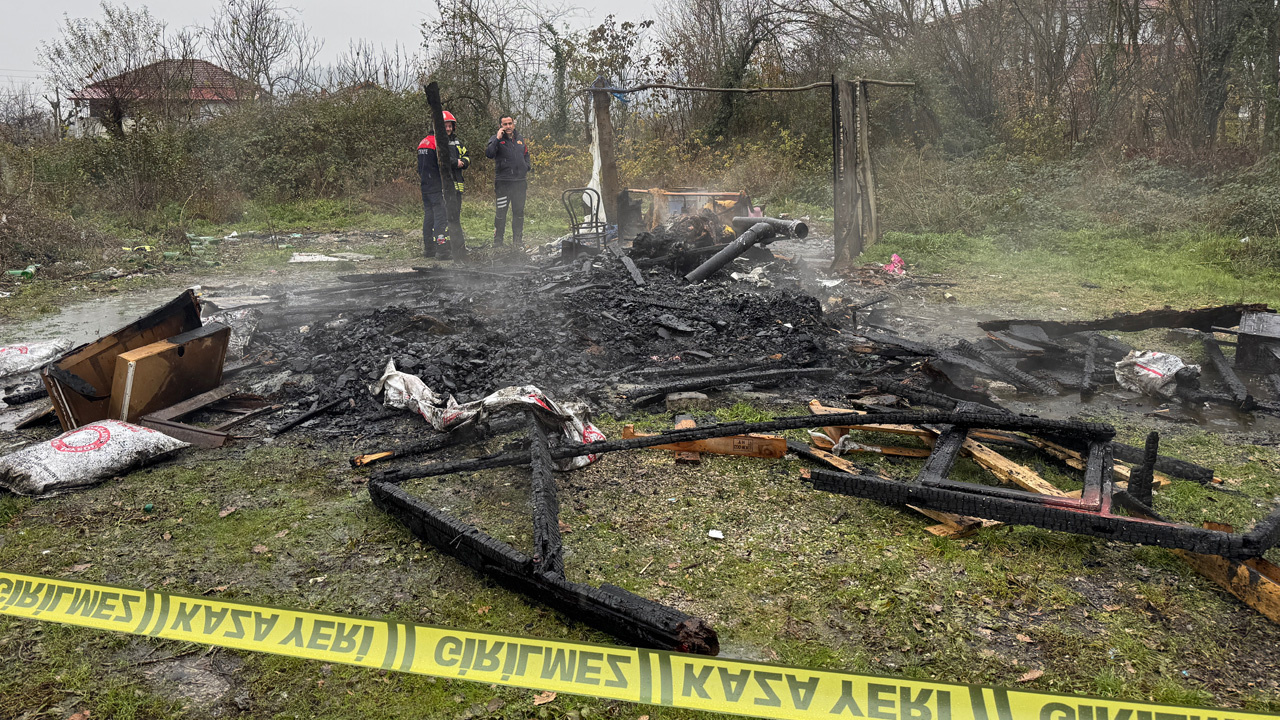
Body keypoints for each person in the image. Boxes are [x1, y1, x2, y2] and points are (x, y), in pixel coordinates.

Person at [417, 111, 470, 259]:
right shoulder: (438, 142)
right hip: (437, 186)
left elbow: (419, 168)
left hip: (426, 186)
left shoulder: (423, 142)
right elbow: (444, 163)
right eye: (444, 126)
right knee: (441, 217)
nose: (447, 129)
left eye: (449, 126)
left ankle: (429, 249)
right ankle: (442, 250)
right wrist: (456, 163)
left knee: (429, 217)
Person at [485, 115, 531, 248]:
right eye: (505, 124)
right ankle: (498, 241)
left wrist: (526, 166)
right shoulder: (496, 139)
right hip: (503, 183)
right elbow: (489, 153)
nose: (508, 126)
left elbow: (526, 154)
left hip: (520, 182)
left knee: (518, 212)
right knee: (501, 212)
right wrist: (498, 139)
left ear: (513, 124)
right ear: (501, 126)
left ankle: (517, 241)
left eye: (510, 123)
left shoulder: (520, 139)